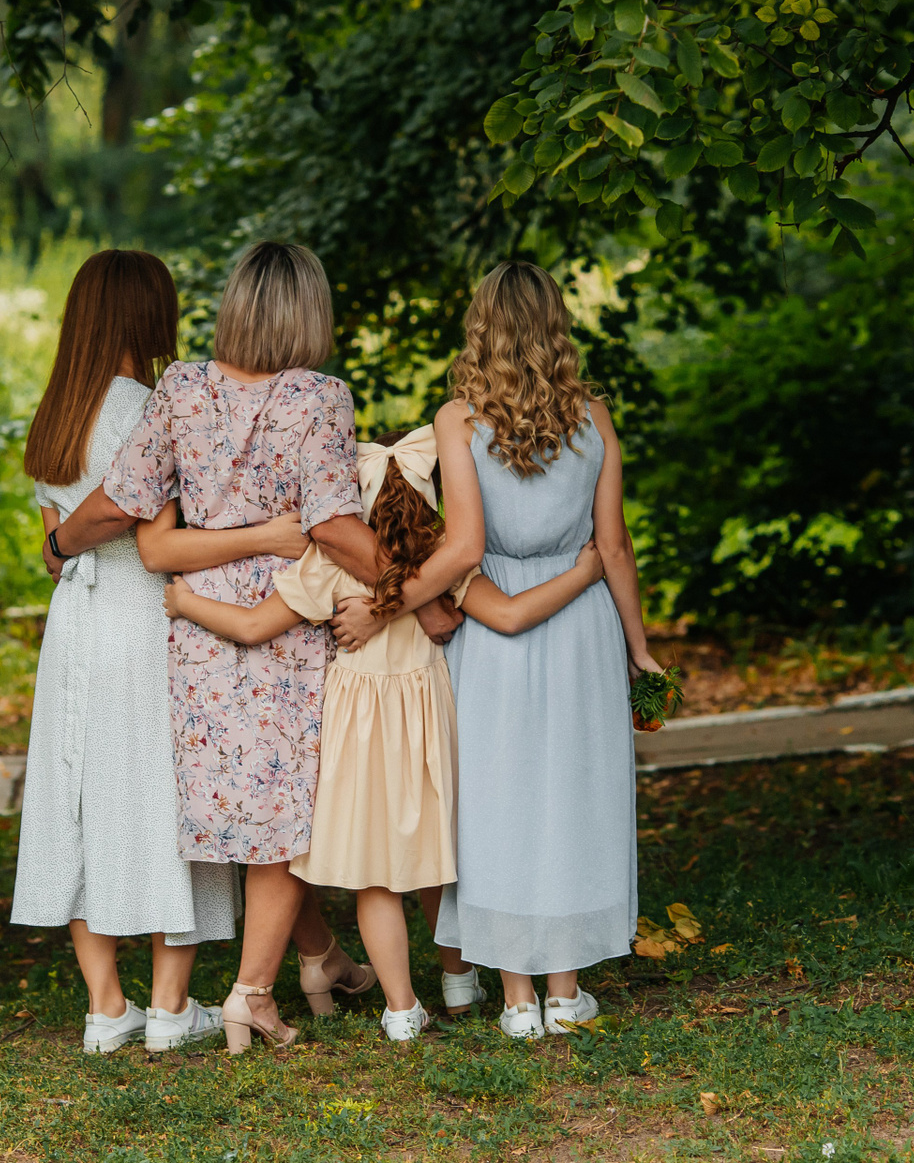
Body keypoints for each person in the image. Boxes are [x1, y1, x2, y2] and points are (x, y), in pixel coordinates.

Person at [47, 240, 463, 1054]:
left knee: (235, 808)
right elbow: (333, 525)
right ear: (310, 314)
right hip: (286, 620)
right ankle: (252, 992)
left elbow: (125, 500)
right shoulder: (320, 396)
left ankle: (289, 973)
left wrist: (60, 542)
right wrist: (419, 592)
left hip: (199, 630)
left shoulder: (180, 387)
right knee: (290, 818)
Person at [159, 425, 608, 1042]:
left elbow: (254, 626)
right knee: (442, 856)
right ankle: (459, 981)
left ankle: (400, 1009)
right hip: (428, 724)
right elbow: (504, 615)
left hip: (358, 728)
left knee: (376, 874)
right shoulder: (440, 562)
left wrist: (186, 604)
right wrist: (584, 574)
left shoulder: (328, 565)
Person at [331, 260, 664, 1039]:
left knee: (497, 799)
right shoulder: (594, 416)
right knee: (574, 795)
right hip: (580, 619)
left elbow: (464, 544)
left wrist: (384, 608)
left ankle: (517, 998)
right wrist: (639, 649)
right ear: (557, 326)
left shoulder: (458, 420)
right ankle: (565, 992)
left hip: (492, 618)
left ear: (480, 327)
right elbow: (613, 546)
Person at [9, 248, 310, 1054]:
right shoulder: (154, 404)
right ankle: (171, 1004)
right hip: (146, 615)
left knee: (81, 796)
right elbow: (146, 526)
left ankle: (107, 1005)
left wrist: (64, 544)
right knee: (165, 796)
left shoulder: (56, 413)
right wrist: (268, 535)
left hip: (74, 622)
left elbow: (52, 542)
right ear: (147, 315)